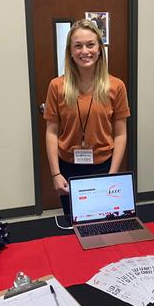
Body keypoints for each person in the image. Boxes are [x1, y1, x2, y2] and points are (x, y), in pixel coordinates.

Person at [43, 19, 130, 216]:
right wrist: (56, 174)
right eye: (78, 46)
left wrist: (112, 175)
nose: (85, 51)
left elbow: (121, 134)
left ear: (100, 49)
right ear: (70, 52)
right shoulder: (57, 86)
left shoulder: (116, 86)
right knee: (73, 225)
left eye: (90, 44)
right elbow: (51, 132)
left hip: (103, 167)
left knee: (102, 223)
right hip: (67, 168)